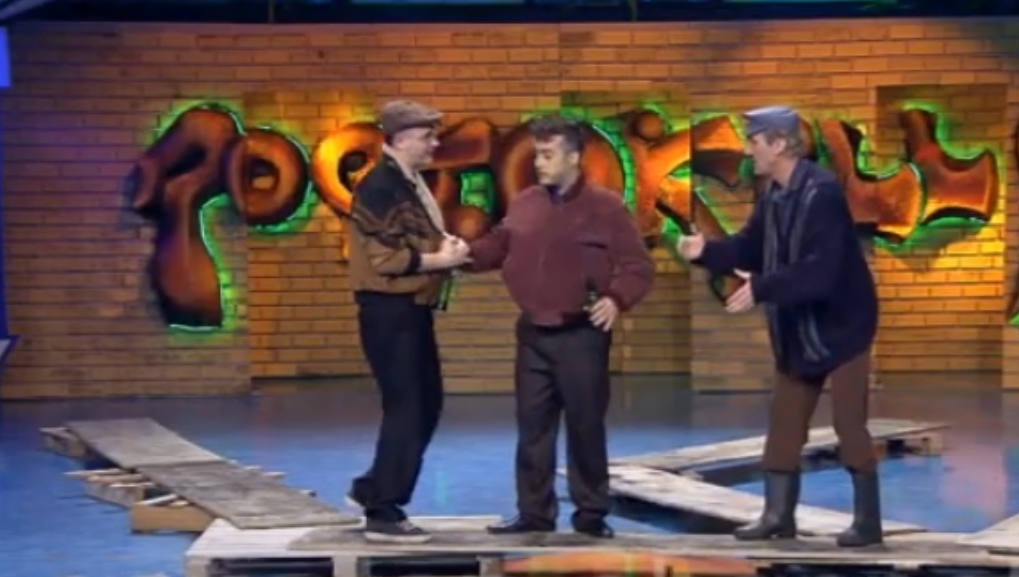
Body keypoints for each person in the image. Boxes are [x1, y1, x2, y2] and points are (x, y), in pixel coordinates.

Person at [677, 105, 883, 548]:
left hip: (843, 325)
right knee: (785, 422)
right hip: (797, 327)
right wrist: (706, 252)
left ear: (780, 143)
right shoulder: (773, 193)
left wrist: (763, 287)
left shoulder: (822, 193)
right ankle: (777, 516)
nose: (747, 149)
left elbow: (822, 271)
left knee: (849, 424)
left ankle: (868, 522)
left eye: (754, 140)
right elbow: (750, 247)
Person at [464, 115, 656, 539]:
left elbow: (638, 266)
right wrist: (464, 254)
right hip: (533, 333)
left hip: (581, 334)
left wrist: (616, 298)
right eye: (537, 154)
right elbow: (499, 244)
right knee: (533, 429)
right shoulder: (525, 202)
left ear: (573, 157)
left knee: (585, 428)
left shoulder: (606, 207)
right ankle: (534, 513)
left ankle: (590, 514)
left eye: (547, 155)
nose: (538, 163)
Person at [345, 100, 471, 544]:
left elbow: (414, 238)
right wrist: (442, 260)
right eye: (426, 136)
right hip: (389, 310)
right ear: (399, 140)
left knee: (426, 401)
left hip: (409, 309)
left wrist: (446, 248)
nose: (434, 144)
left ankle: (373, 487)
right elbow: (387, 259)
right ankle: (383, 510)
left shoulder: (406, 181)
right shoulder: (381, 186)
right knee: (409, 406)